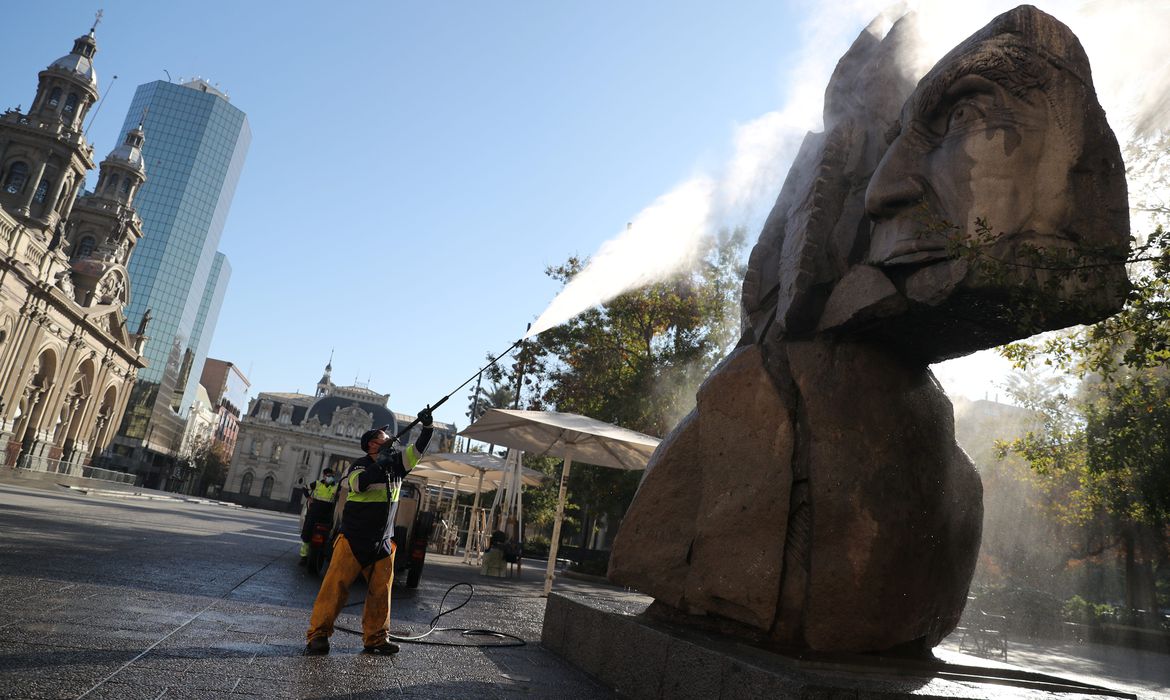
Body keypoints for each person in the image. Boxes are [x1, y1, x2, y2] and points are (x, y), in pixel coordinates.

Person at [304, 408, 433, 656]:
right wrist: (379, 465)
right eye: (383, 439)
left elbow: (417, 450)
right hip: (352, 540)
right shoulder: (358, 466)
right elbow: (359, 485)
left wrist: (427, 429)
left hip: (383, 542)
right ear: (371, 445)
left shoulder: (398, 465)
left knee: (381, 593)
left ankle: (376, 638)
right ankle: (318, 636)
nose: (390, 441)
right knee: (334, 589)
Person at [298, 468, 338, 565]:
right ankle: (304, 557)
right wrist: (309, 498)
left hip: (327, 514)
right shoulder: (317, 484)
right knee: (307, 533)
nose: (331, 477)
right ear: (324, 476)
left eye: (332, 476)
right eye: (329, 475)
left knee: (328, 535)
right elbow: (304, 488)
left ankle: (324, 554)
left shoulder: (336, 487)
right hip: (314, 512)